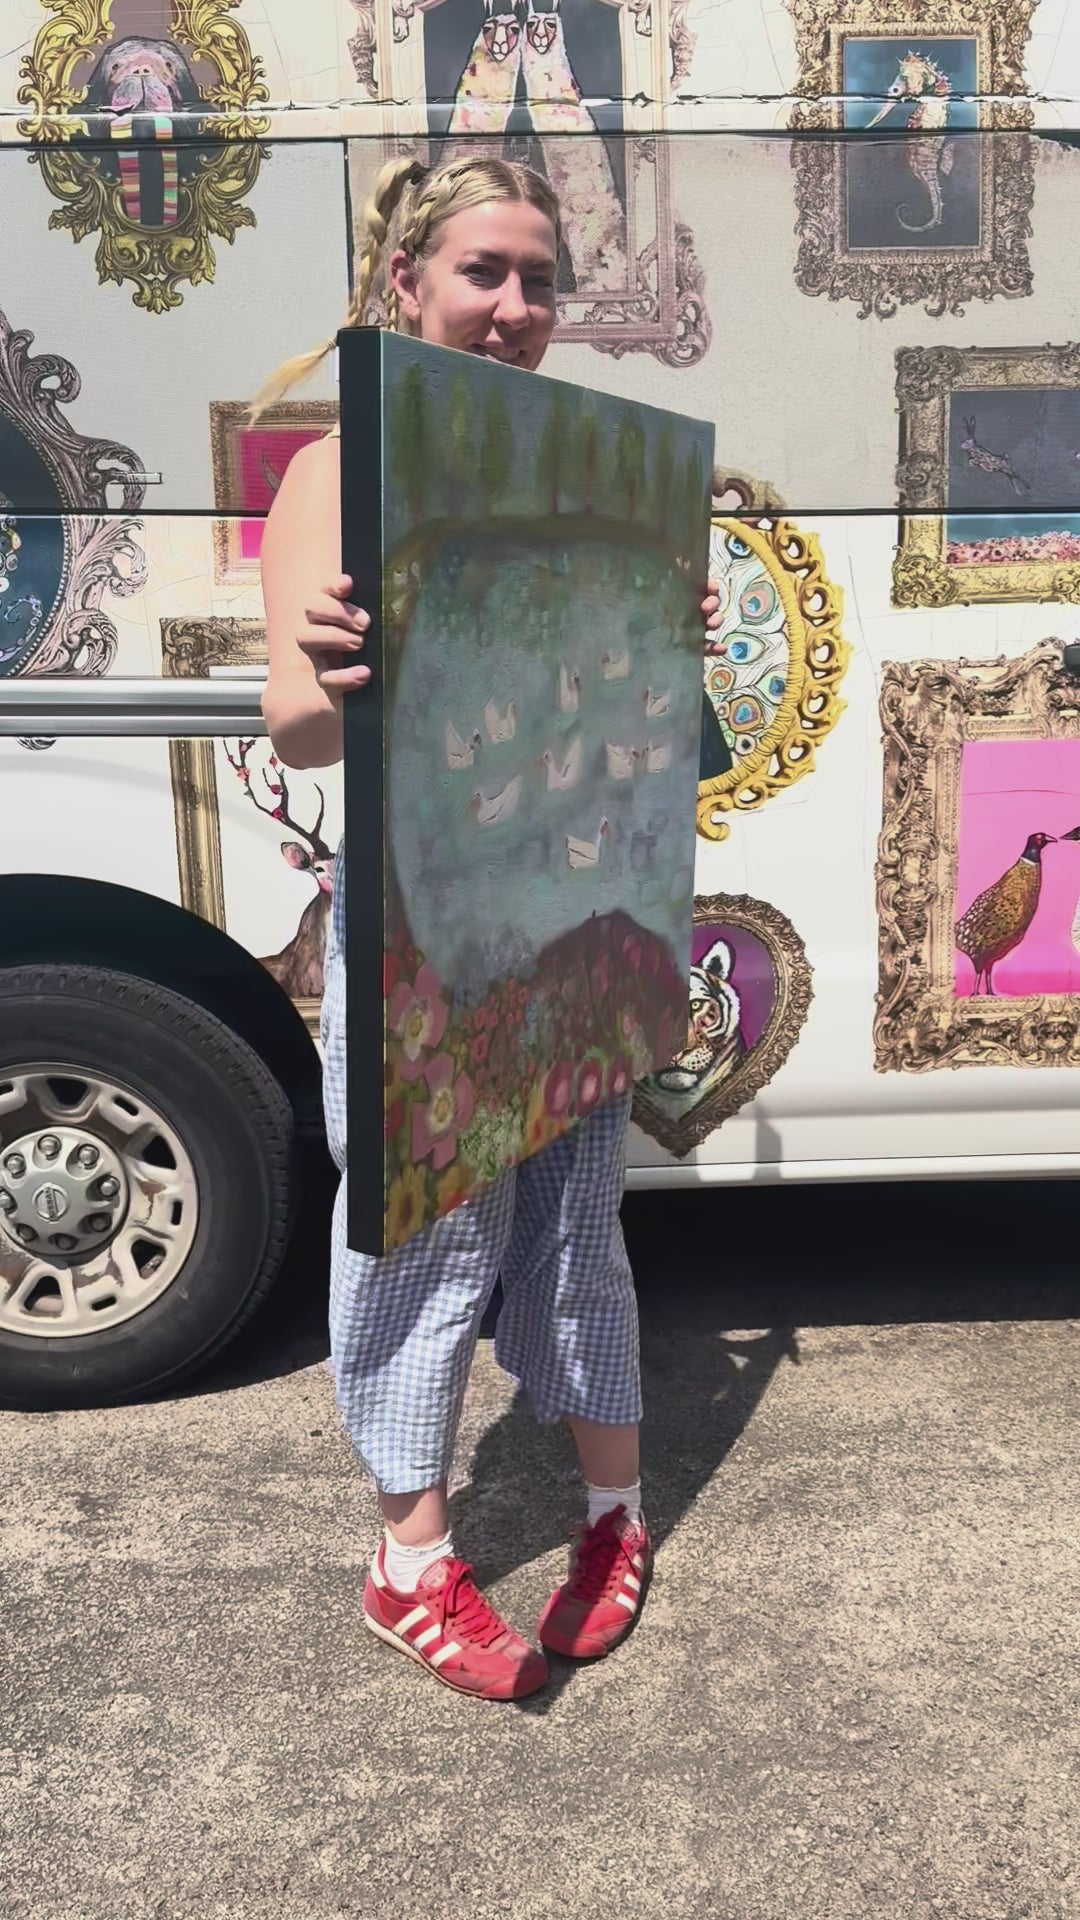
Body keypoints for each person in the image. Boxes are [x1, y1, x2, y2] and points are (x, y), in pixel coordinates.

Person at [255, 152, 723, 1702]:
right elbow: (295, 731)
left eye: (540, 279)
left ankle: (612, 1515)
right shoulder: (339, 471)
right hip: (422, 944)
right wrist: (329, 665)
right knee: (420, 1239)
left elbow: (656, 737)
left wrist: (668, 637)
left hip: (577, 919)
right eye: (484, 272)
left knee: (578, 1229)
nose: (518, 306)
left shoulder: (590, 466)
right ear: (408, 281)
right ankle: (410, 1565)